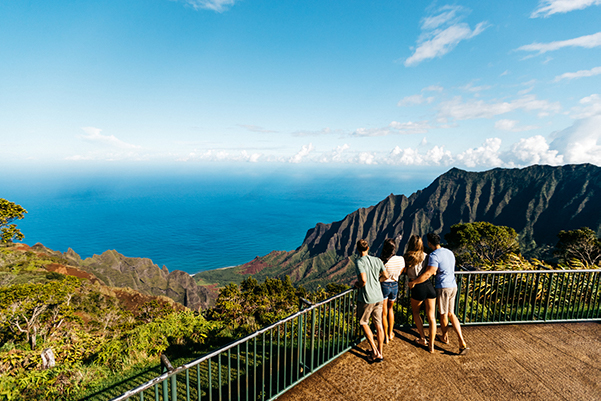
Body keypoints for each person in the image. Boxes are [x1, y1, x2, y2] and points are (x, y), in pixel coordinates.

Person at [409, 233, 468, 355]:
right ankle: (460, 339)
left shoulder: (434, 255)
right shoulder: (449, 252)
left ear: (430, 243)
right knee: (451, 313)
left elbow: (429, 273)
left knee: (443, 315)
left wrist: (414, 282)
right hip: (453, 285)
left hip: (443, 287)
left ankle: (445, 337)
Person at [354, 239, 389, 362]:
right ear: (368, 248)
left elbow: (363, 280)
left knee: (364, 322)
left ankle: (374, 351)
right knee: (378, 324)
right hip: (379, 296)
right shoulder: (377, 260)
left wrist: (358, 285)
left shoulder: (359, 262)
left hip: (367, 298)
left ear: (358, 250)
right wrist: (377, 281)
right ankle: (380, 352)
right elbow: (386, 276)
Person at [404, 234, 437, 353]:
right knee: (431, 317)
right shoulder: (427, 256)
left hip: (417, 287)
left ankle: (423, 338)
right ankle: (431, 345)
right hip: (429, 286)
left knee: (416, 312)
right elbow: (432, 271)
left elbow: (404, 270)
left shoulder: (407, 257)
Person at [379, 238, 405, 344]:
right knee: (391, 309)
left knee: (383, 313)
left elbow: (380, 274)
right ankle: (390, 333)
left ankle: (385, 337)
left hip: (384, 285)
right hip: (395, 285)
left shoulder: (382, 261)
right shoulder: (401, 259)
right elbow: (401, 271)